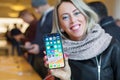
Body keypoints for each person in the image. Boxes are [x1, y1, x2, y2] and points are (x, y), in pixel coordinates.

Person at [44, 0, 120, 80]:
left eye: (77, 13)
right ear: (60, 25)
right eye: (65, 17)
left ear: (85, 15)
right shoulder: (59, 54)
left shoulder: (111, 46)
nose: (73, 20)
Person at [24, 0, 54, 79]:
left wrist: (40, 47)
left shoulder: (54, 15)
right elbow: (40, 36)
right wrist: (32, 43)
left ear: (44, 4)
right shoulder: (42, 17)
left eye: (37, 8)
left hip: (51, 57)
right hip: (41, 57)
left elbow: (56, 37)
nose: (36, 11)